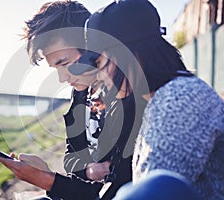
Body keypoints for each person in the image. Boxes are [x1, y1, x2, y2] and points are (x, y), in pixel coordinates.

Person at [68, 0, 224, 199]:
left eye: (99, 62)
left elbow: (155, 193)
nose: (98, 75)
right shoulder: (161, 99)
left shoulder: (179, 100)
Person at [0, 1, 146, 200]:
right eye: (55, 68)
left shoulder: (126, 99)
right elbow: (71, 159)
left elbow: (115, 193)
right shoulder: (81, 95)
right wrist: (88, 171)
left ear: (92, 46)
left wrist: (48, 180)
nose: (62, 78)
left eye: (64, 63)